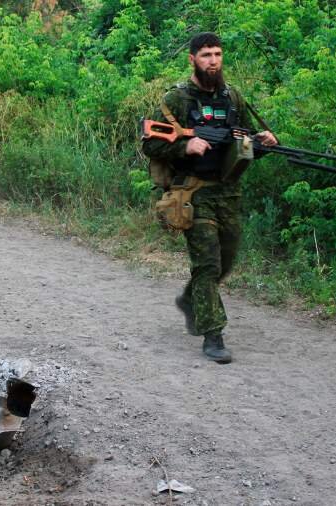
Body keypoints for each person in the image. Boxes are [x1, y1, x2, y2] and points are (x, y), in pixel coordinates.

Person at [142, 32, 277, 364]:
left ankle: (191, 299)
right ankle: (213, 334)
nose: (213, 61)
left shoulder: (233, 97)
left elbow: (241, 141)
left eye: (217, 54)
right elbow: (149, 143)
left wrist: (261, 142)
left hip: (228, 192)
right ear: (192, 60)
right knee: (208, 264)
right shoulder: (177, 100)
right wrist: (184, 146)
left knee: (226, 261)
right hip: (192, 192)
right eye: (206, 55)